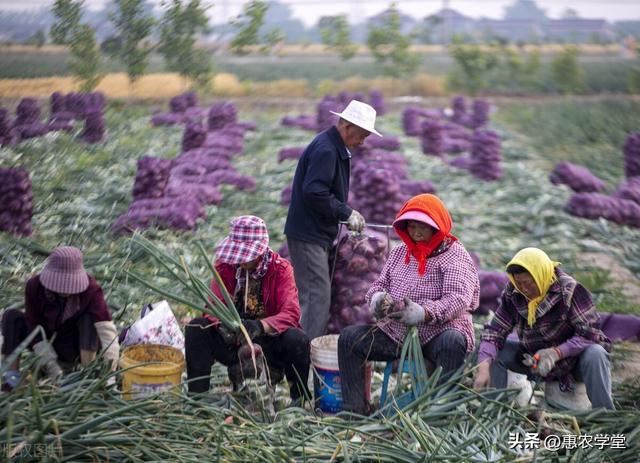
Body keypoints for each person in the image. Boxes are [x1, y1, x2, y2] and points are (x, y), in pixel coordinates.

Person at [338, 194, 480, 415]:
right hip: (398, 332)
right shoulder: (400, 252)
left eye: (422, 227)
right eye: (411, 227)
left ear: (437, 227)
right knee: (349, 339)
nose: (416, 233)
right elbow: (379, 284)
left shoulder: (455, 256)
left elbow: (459, 298)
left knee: (453, 342)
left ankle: (443, 412)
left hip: (438, 332)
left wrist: (424, 313)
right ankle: (354, 410)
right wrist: (377, 299)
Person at [185, 215, 310, 403]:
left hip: (268, 341)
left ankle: (300, 400)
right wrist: (224, 325)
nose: (240, 261)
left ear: (259, 251)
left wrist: (261, 326)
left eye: (245, 256)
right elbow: (212, 305)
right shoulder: (226, 266)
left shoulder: (281, 269)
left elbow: (291, 313)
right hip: (233, 340)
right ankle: (197, 399)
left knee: (298, 339)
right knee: (196, 328)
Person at [285, 99, 381, 340]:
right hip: (308, 235)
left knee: (318, 294)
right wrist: (345, 212)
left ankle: (308, 349)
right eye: (362, 135)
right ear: (347, 127)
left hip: (317, 233)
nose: (363, 142)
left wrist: (343, 212)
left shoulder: (333, 147)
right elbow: (314, 192)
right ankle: (304, 355)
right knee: (317, 296)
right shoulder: (326, 149)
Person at [473, 247, 614, 410]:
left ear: (541, 275)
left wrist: (557, 352)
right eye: (519, 283)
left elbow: (590, 335)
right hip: (534, 360)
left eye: (528, 283)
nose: (524, 289)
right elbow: (493, 333)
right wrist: (483, 368)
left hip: (572, 362)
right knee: (495, 350)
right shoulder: (514, 294)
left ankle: (604, 412)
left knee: (596, 353)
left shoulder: (570, 291)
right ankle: (492, 410)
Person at [1, 246, 119, 391]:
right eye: (60, 286)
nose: (65, 291)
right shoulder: (34, 287)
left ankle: (86, 374)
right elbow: (35, 330)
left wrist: (110, 376)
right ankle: (12, 379)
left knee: (89, 319)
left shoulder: (91, 290)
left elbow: (107, 332)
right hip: (47, 341)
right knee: (11, 316)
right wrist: (52, 367)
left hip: (75, 344)